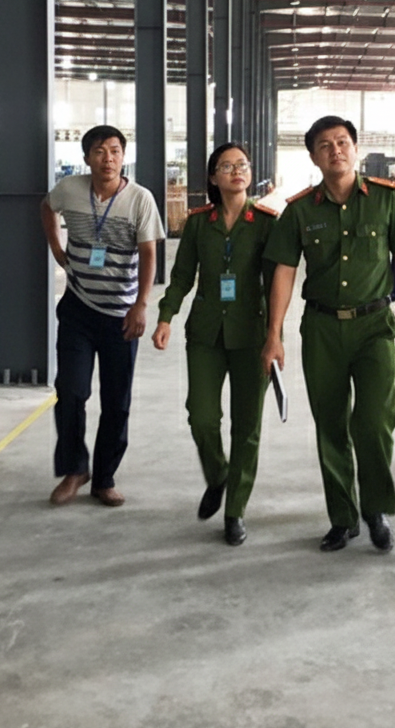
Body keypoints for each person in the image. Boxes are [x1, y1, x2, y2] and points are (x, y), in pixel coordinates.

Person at [261, 116, 395, 553]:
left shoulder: (387, 199)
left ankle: (376, 510)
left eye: (343, 142)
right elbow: (284, 271)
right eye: (325, 145)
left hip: (375, 326)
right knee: (330, 424)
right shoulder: (300, 210)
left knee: (374, 422)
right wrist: (274, 335)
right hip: (322, 329)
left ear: (355, 148)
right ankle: (343, 517)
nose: (336, 150)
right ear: (314, 157)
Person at [151, 143, 276, 546]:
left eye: (242, 165)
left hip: (251, 334)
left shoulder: (266, 222)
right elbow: (182, 276)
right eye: (227, 166)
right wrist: (166, 316)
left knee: (247, 426)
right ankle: (219, 474)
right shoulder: (198, 223)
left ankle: (235, 510)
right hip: (206, 332)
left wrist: (275, 336)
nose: (237, 171)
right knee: (202, 417)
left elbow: (278, 283)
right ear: (212, 177)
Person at [41, 124, 165, 507]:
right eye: (99, 151)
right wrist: (57, 249)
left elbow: (149, 254)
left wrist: (140, 305)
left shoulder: (140, 199)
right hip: (77, 310)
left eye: (114, 150)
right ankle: (75, 470)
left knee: (116, 401)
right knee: (71, 391)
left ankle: (104, 478)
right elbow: (46, 207)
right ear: (86, 158)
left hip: (120, 316)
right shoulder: (70, 189)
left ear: (123, 156)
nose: (107, 158)